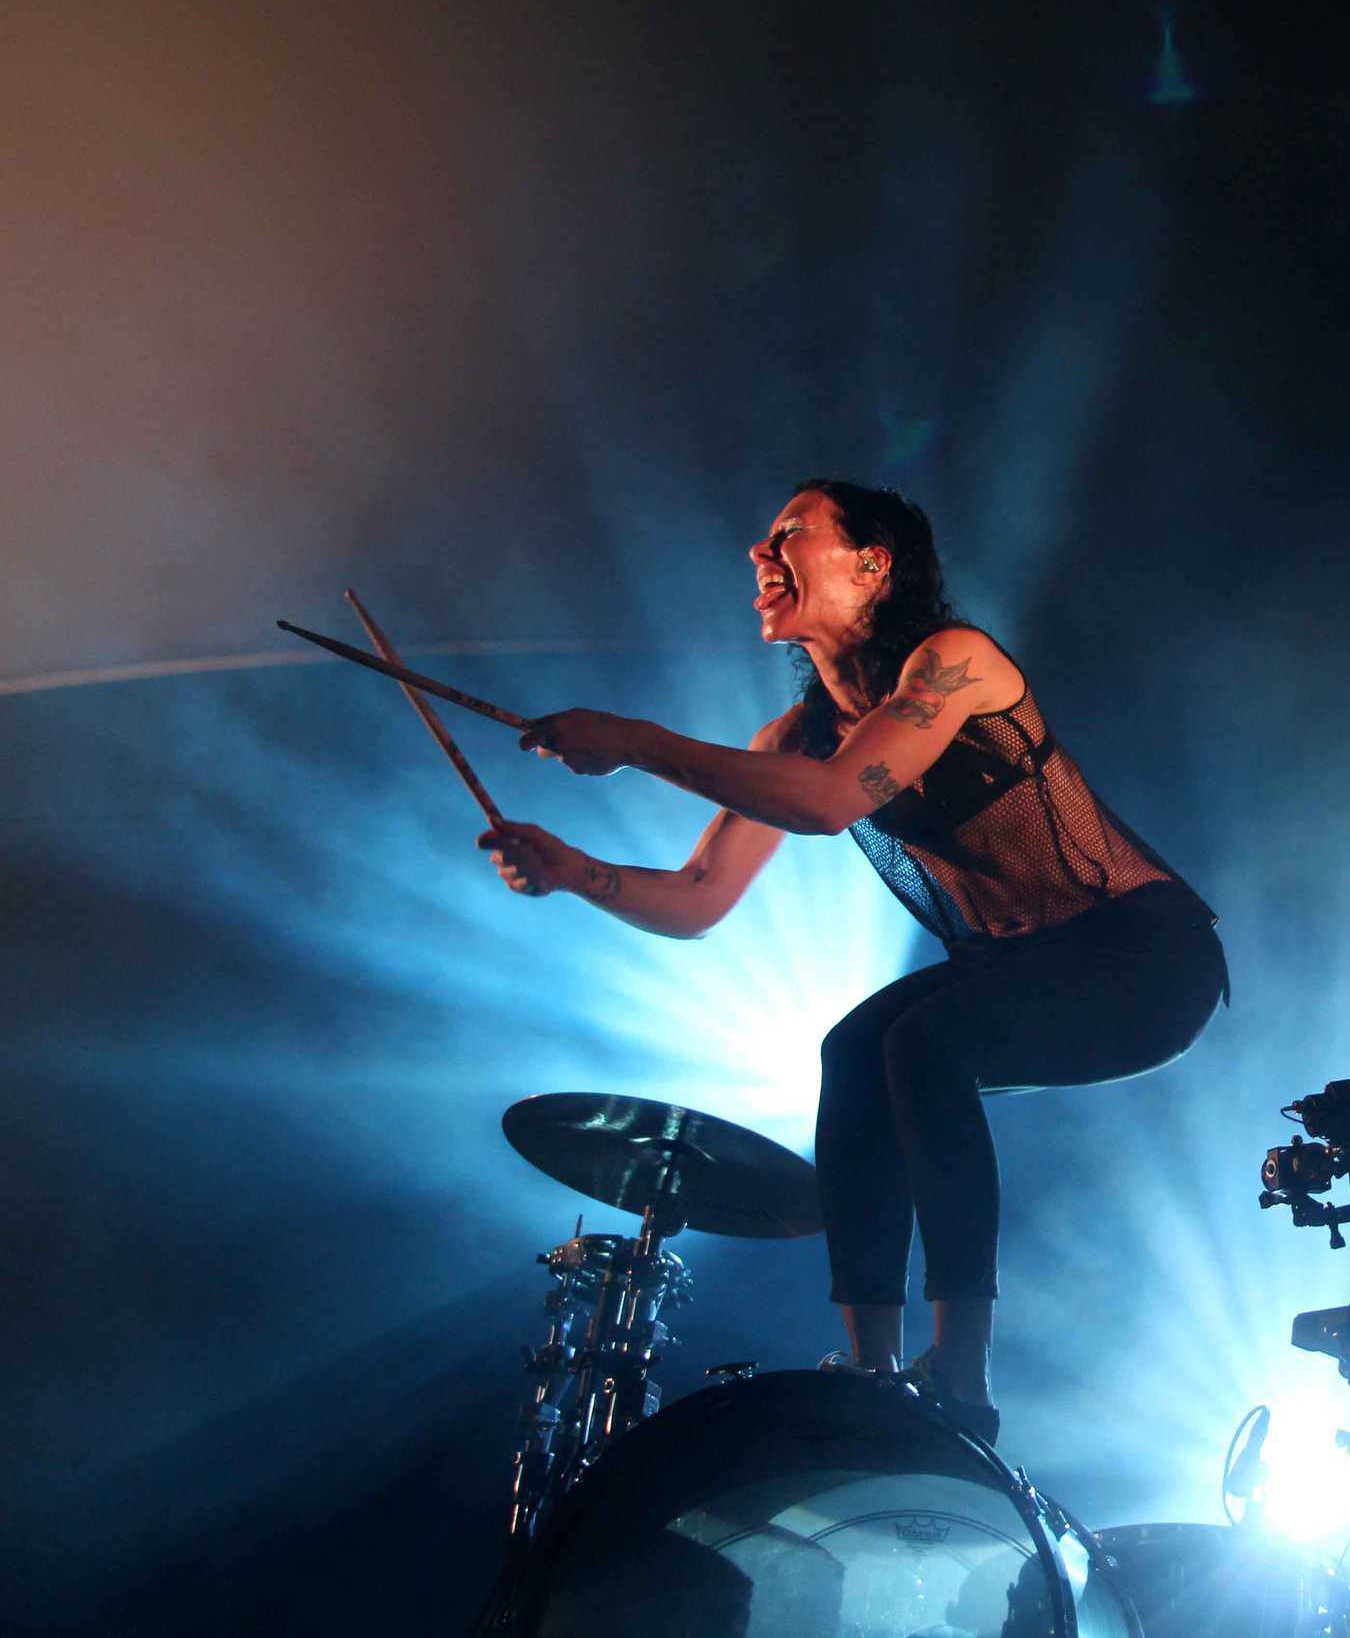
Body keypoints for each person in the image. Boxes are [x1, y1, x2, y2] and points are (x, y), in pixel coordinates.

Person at [477, 480, 1228, 1446]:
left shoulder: (951, 664)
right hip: (1021, 965)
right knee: (856, 1047)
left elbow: (834, 799)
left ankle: (962, 1370)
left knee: (923, 1041)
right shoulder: (797, 735)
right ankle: (875, 1369)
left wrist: (636, 743)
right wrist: (571, 870)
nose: (760, 550)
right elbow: (701, 894)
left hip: (1146, 955)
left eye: (791, 532)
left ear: (874, 565)